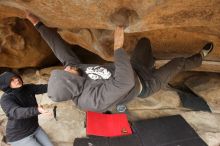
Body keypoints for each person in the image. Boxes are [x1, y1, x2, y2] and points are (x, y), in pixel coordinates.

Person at [26, 12, 213, 112]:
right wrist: (118, 49)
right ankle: (200, 57)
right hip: (145, 84)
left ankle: (150, 63)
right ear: (69, 83)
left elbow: (59, 48)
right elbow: (125, 82)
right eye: (66, 71)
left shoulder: (76, 71)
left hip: (135, 68)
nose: (68, 67)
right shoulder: (91, 101)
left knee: (144, 43)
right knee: (178, 63)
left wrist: (38, 25)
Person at [0, 72, 54, 146]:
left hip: (35, 128)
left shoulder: (27, 88)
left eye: (16, 77)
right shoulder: (6, 99)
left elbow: (46, 87)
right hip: (19, 136)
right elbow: (16, 112)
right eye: (12, 80)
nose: (17, 80)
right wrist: (37, 110)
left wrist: (62, 81)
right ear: (6, 85)